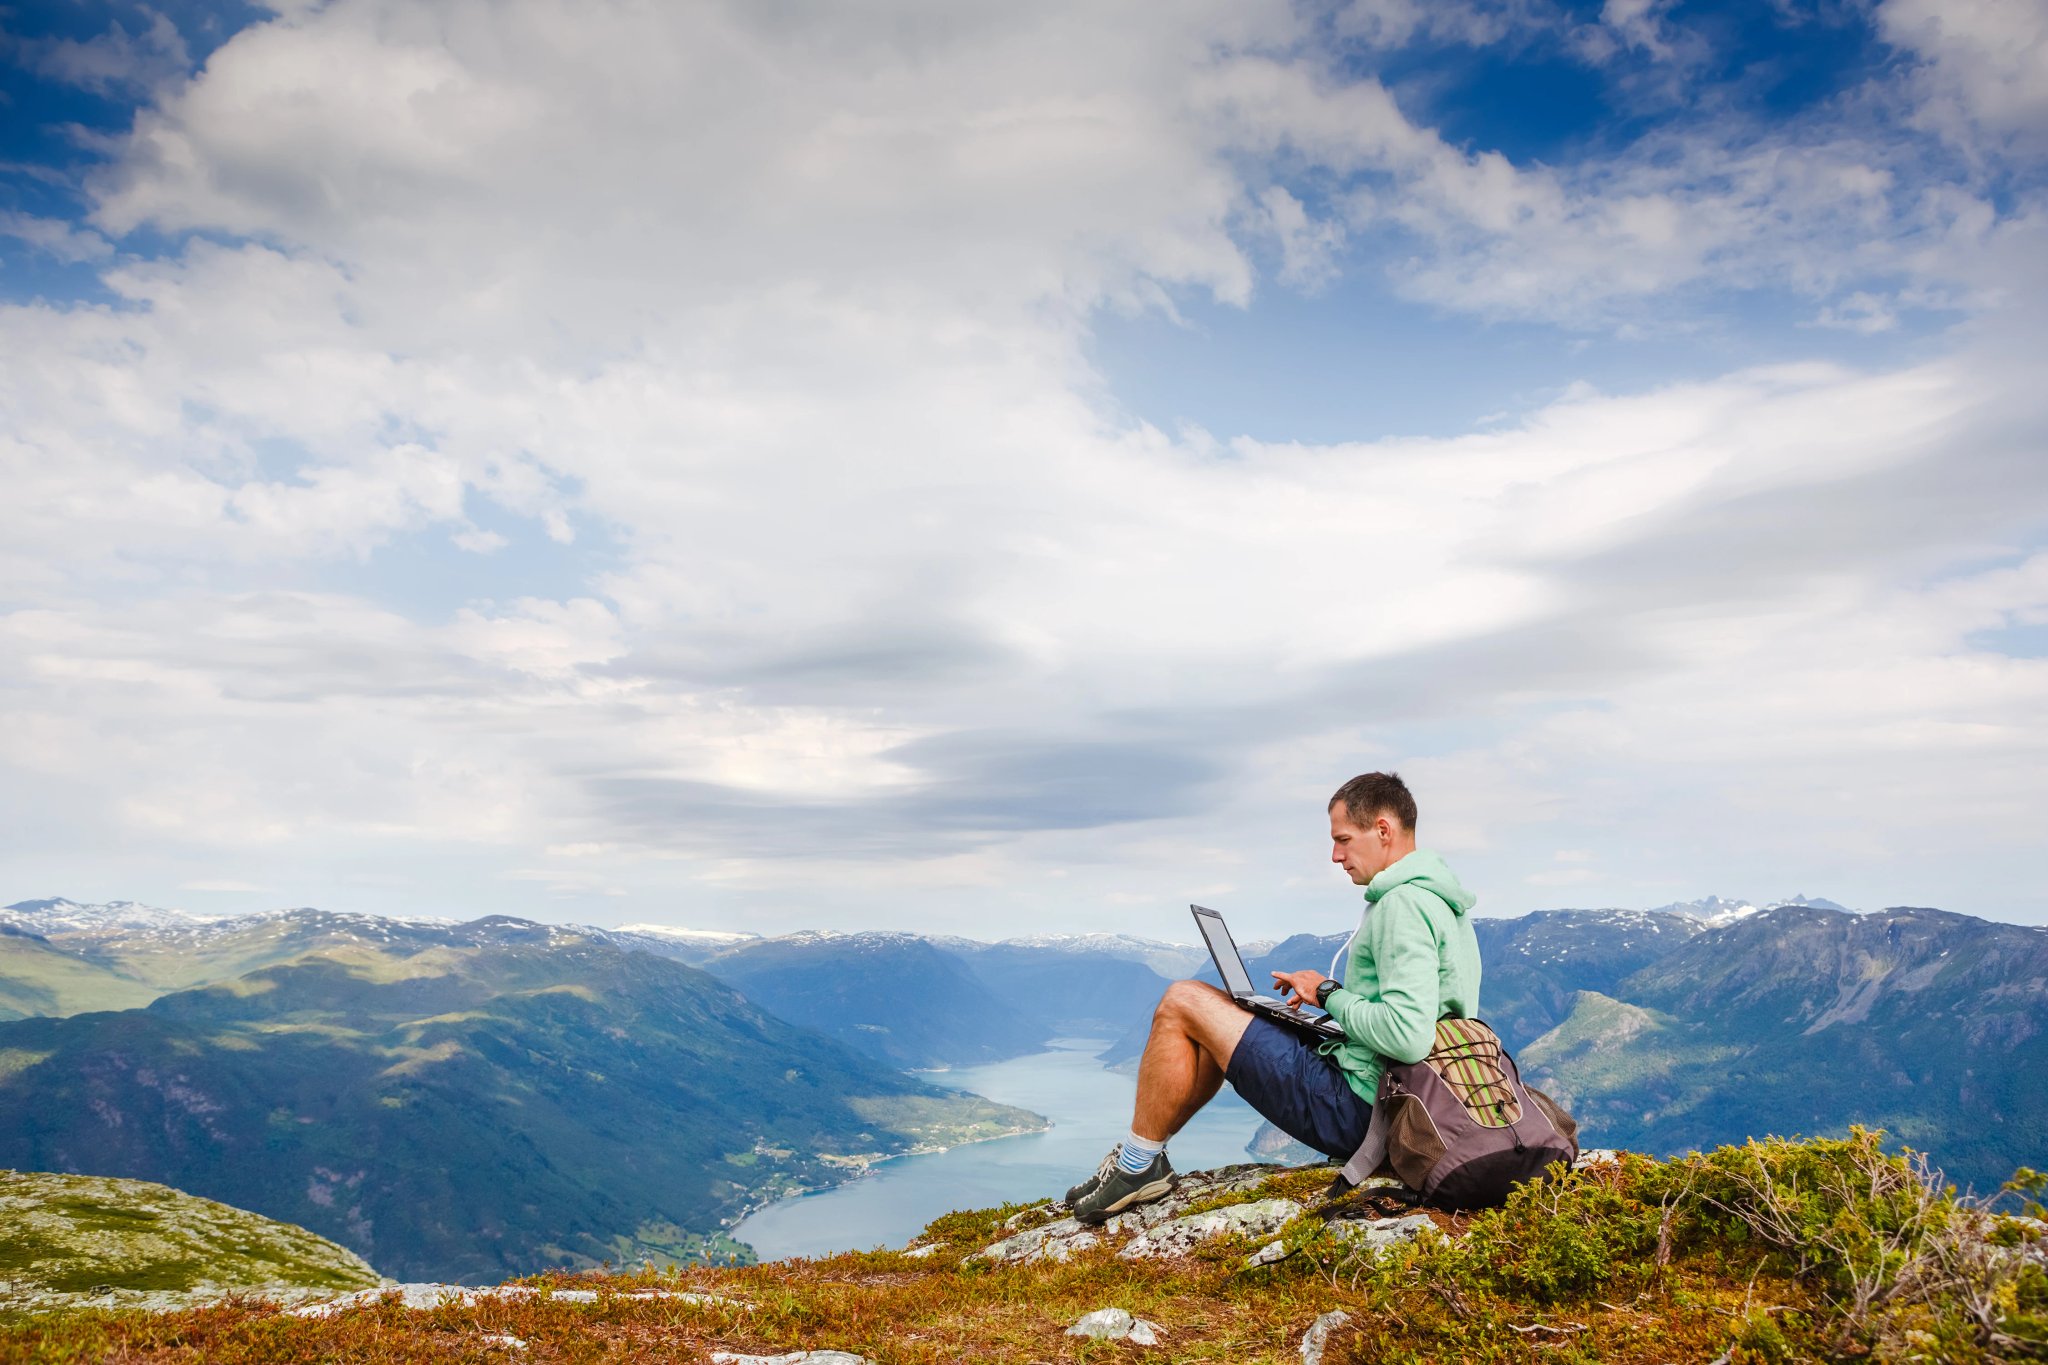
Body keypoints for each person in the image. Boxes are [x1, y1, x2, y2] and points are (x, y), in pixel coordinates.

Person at [1065, 771, 1481, 1224]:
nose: (1335, 855)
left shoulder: (1403, 905)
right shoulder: (1441, 902)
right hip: (1393, 1096)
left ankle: (1136, 1166)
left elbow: (1407, 1036)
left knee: (1182, 999)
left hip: (1360, 1111)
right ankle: (1142, 1160)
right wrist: (1319, 1007)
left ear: (1383, 830)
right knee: (1212, 1010)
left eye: (1343, 839)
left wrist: (1328, 994)